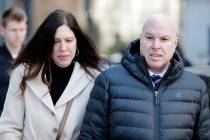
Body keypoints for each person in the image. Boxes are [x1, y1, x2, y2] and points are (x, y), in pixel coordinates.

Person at [78, 13, 210, 140]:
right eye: (149, 37)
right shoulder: (108, 81)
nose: (155, 46)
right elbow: (91, 136)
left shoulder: (196, 88)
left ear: (175, 43)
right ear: (141, 39)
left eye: (164, 39)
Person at [0, 10, 102, 140]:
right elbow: (9, 127)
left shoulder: (94, 79)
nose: (63, 48)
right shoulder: (22, 73)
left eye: (69, 40)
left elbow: (97, 132)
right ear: (46, 43)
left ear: (77, 42)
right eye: (55, 41)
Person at [0, 7, 27, 115]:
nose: (18, 35)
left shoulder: (34, 58)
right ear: (2, 30)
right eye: (13, 30)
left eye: (21, 29)